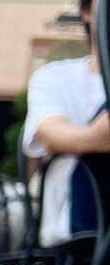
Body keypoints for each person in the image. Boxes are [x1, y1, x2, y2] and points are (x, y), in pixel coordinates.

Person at [22, 0, 108, 247]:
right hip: (78, 221)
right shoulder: (55, 76)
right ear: (86, 12)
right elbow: (51, 134)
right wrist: (95, 138)